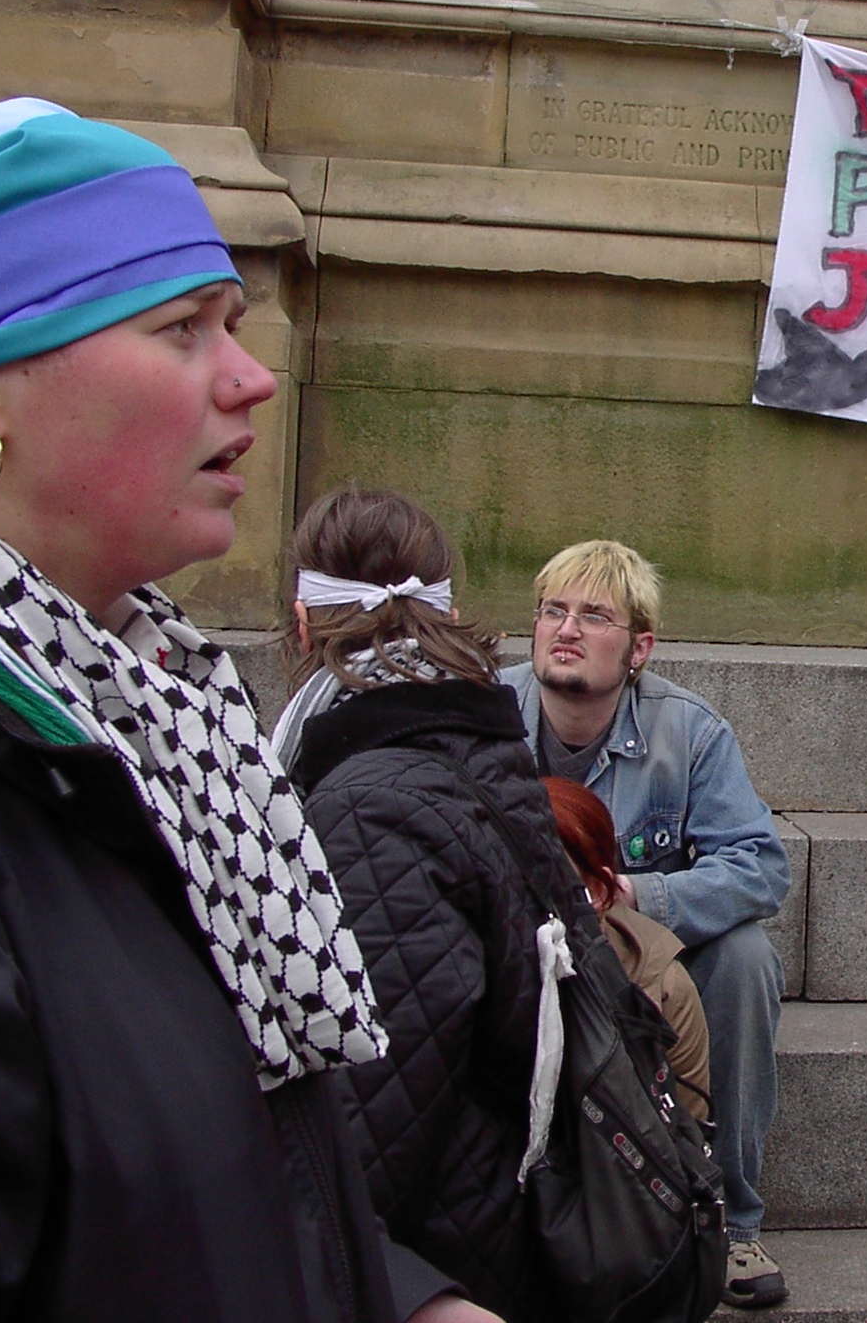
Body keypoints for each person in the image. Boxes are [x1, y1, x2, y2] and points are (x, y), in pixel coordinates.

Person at [0, 100, 482, 1322]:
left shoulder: (149, 713)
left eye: (234, 328)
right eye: (180, 330)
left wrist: (397, 1299)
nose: (252, 378)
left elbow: (174, 1177)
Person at [274, 487, 599, 1321]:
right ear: (447, 612)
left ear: (304, 627)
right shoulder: (475, 750)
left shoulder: (371, 803)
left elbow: (368, 1138)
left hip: (447, 1263)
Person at [501, 541, 791, 1309]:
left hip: (629, 958)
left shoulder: (688, 733)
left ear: (639, 647)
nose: (566, 629)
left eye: (594, 615)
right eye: (552, 611)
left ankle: (726, 1219)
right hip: (510, 949)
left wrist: (631, 892)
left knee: (744, 957)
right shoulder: (484, 714)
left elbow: (761, 867)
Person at [546, 775, 714, 1124]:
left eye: (550, 878)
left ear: (600, 892)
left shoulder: (661, 982)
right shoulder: (468, 959)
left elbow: (687, 1135)